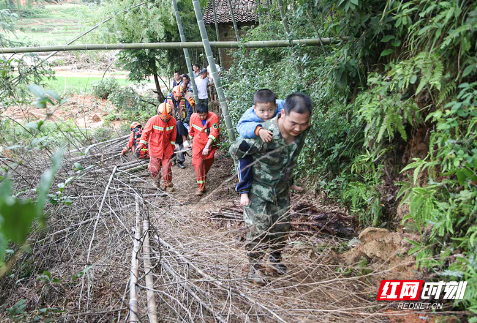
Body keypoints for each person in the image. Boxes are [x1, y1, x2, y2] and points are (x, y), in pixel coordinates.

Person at [229, 93, 312, 285]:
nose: (298, 128)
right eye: (293, 123)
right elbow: (235, 151)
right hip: (258, 190)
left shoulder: (303, 129)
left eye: (303, 124)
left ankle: (275, 260)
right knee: (259, 230)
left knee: (281, 228)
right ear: (282, 114)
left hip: (281, 190)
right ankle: (255, 268)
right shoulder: (265, 134)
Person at [235, 89, 303, 206]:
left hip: (271, 142)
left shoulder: (280, 105)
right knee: (245, 163)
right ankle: (244, 191)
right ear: (255, 108)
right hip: (249, 145)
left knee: (286, 157)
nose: (266, 114)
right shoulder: (250, 114)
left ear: (275, 106)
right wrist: (259, 130)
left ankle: (290, 182)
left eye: (270, 110)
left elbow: (290, 105)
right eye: (262, 111)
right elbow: (241, 127)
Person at [137, 102, 177, 192]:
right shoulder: (153, 120)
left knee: (167, 168)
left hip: (167, 149)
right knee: (154, 169)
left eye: (167, 119)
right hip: (155, 148)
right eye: (164, 119)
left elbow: (173, 136)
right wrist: (141, 144)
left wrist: (172, 147)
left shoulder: (173, 121)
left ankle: (168, 185)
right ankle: (157, 182)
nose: (165, 121)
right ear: (159, 114)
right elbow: (145, 133)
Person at [189, 101, 220, 196]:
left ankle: (203, 175)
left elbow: (214, 132)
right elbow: (191, 130)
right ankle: (201, 187)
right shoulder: (193, 117)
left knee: (209, 161)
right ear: (197, 113)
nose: (202, 117)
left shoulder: (213, 117)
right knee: (197, 164)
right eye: (200, 115)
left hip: (209, 143)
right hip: (197, 144)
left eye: (204, 115)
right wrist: (190, 141)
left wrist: (207, 146)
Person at [164, 85, 193, 169]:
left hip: (181, 125)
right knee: (172, 143)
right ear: (173, 94)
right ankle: (172, 159)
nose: (178, 98)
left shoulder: (185, 101)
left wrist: (186, 120)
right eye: (176, 97)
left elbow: (190, 112)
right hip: (170, 125)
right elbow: (161, 111)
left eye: (179, 97)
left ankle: (180, 161)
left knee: (180, 142)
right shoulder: (167, 101)